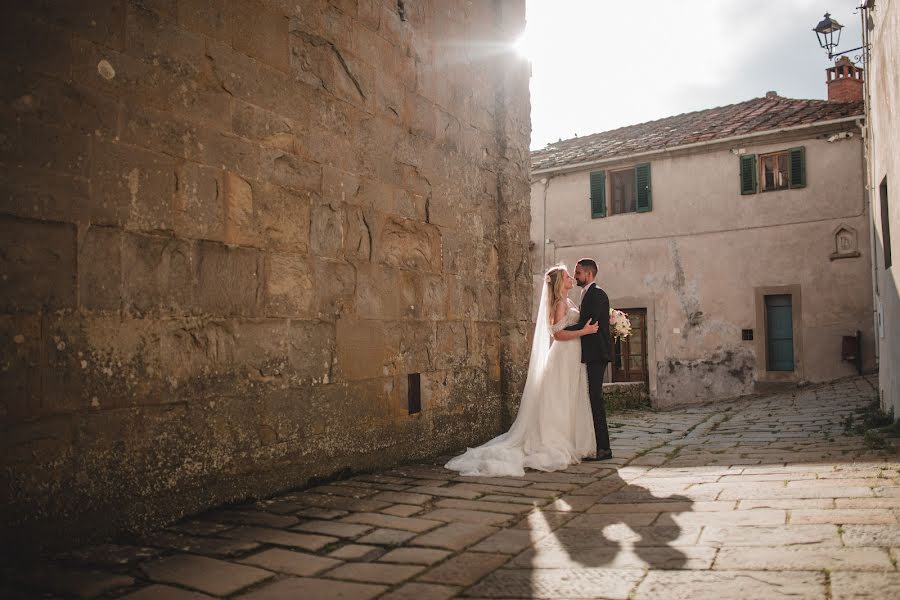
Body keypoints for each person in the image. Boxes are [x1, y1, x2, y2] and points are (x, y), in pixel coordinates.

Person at [445, 265, 599, 477]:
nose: (571, 278)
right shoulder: (559, 304)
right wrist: (585, 331)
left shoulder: (568, 301)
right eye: (567, 276)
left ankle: (571, 438)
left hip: (572, 355)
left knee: (569, 397)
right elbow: (558, 334)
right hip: (563, 354)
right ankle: (555, 438)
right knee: (560, 397)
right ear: (558, 282)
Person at [564, 258, 612, 460]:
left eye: (577, 273)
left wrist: (561, 331)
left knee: (595, 398)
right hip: (590, 353)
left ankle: (604, 448)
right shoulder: (588, 293)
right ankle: (595, 444)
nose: (575, 277)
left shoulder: (597, 294)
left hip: (596, 354)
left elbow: (587, 323)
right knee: (591, 397)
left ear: (588, 274)